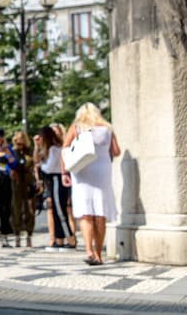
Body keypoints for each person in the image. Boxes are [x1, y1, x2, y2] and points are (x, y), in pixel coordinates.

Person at [62, 103, 121, 266]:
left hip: (82, 170)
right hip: (102, 170)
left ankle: (89, 251)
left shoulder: (77, 127)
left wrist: (64, 173)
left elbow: (65, 149)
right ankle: (99, 254)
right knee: (100, 213)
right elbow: (116, 152)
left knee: (86, 213)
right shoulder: (108, 128)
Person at [37, 125, 76, 251]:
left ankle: (70, 239)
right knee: (55, 211)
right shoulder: (53, 149)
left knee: (60, 210)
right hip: (54, 180)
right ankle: (60, 240)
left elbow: (49, 168)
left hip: (56, 179)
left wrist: (40, 166)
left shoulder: (54, 149)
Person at [9, 131, 35, 248]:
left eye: (22, 139)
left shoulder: (30, 151)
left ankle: (29, 234)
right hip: (16, 183)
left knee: (30, 210)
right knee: (16, 209)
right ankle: (17, 235)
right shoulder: (12, 152)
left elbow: (34, 164)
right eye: (18, 140)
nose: (20, 142)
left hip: (28, 182)